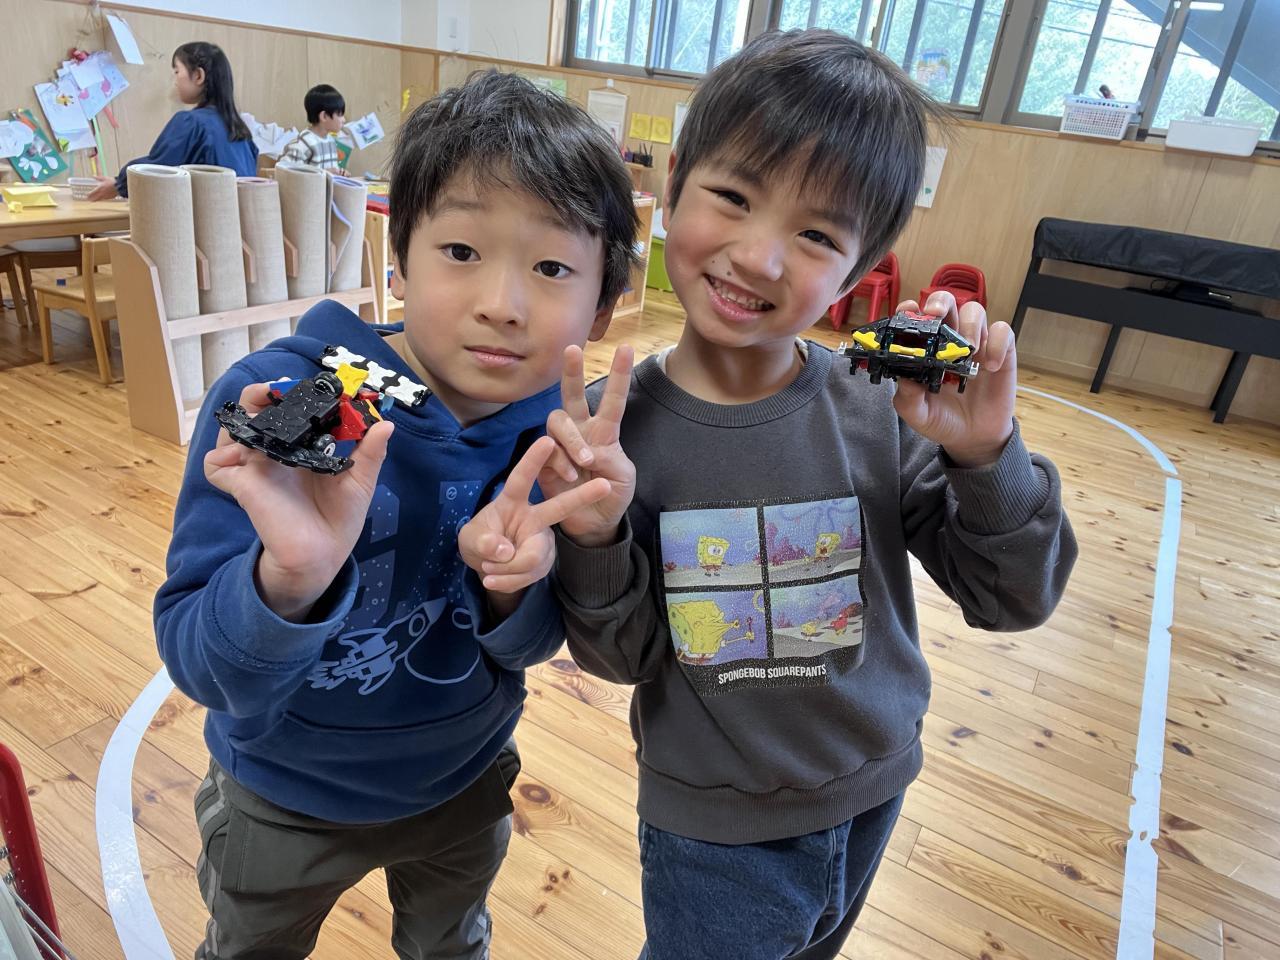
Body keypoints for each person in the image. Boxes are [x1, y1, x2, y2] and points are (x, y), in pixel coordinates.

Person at [543, 30, 1078, 960]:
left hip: (875, 789)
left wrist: (986, 454)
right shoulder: (613, 436)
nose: (760, 257)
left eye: (817, 235)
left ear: (859, 269)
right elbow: (620, 659)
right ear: (675, 185)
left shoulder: (879, 410)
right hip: (713, 834)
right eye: (734, 196)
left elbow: (1013, 598)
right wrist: (594, 534)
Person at [153, 69, 637, 959]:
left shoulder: (561, 441)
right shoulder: (288, 401)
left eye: (552, 267)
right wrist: (286, 583)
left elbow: (531, 649)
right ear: (399, 260)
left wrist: (511, 588)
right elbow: (198, 663)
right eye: (460, 250)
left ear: (603, 305)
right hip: (281, 797)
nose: (502, 303)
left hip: (464, 784)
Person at [86, 42, 257, 200]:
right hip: (236, 221)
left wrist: (119, 184)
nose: (175, 81)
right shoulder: (242, 132)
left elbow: (157, 169)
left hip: (200, 220)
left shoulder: (191, 122)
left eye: (177, 72)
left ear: (198, 76)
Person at [281, 83, 348, 171]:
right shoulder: (304, 142)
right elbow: (286, 170)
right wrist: (325, 173)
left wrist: (340, 173)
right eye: (340, 115)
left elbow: (331, 172)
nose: (344, 120)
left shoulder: (331, 141)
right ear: (324, 116)